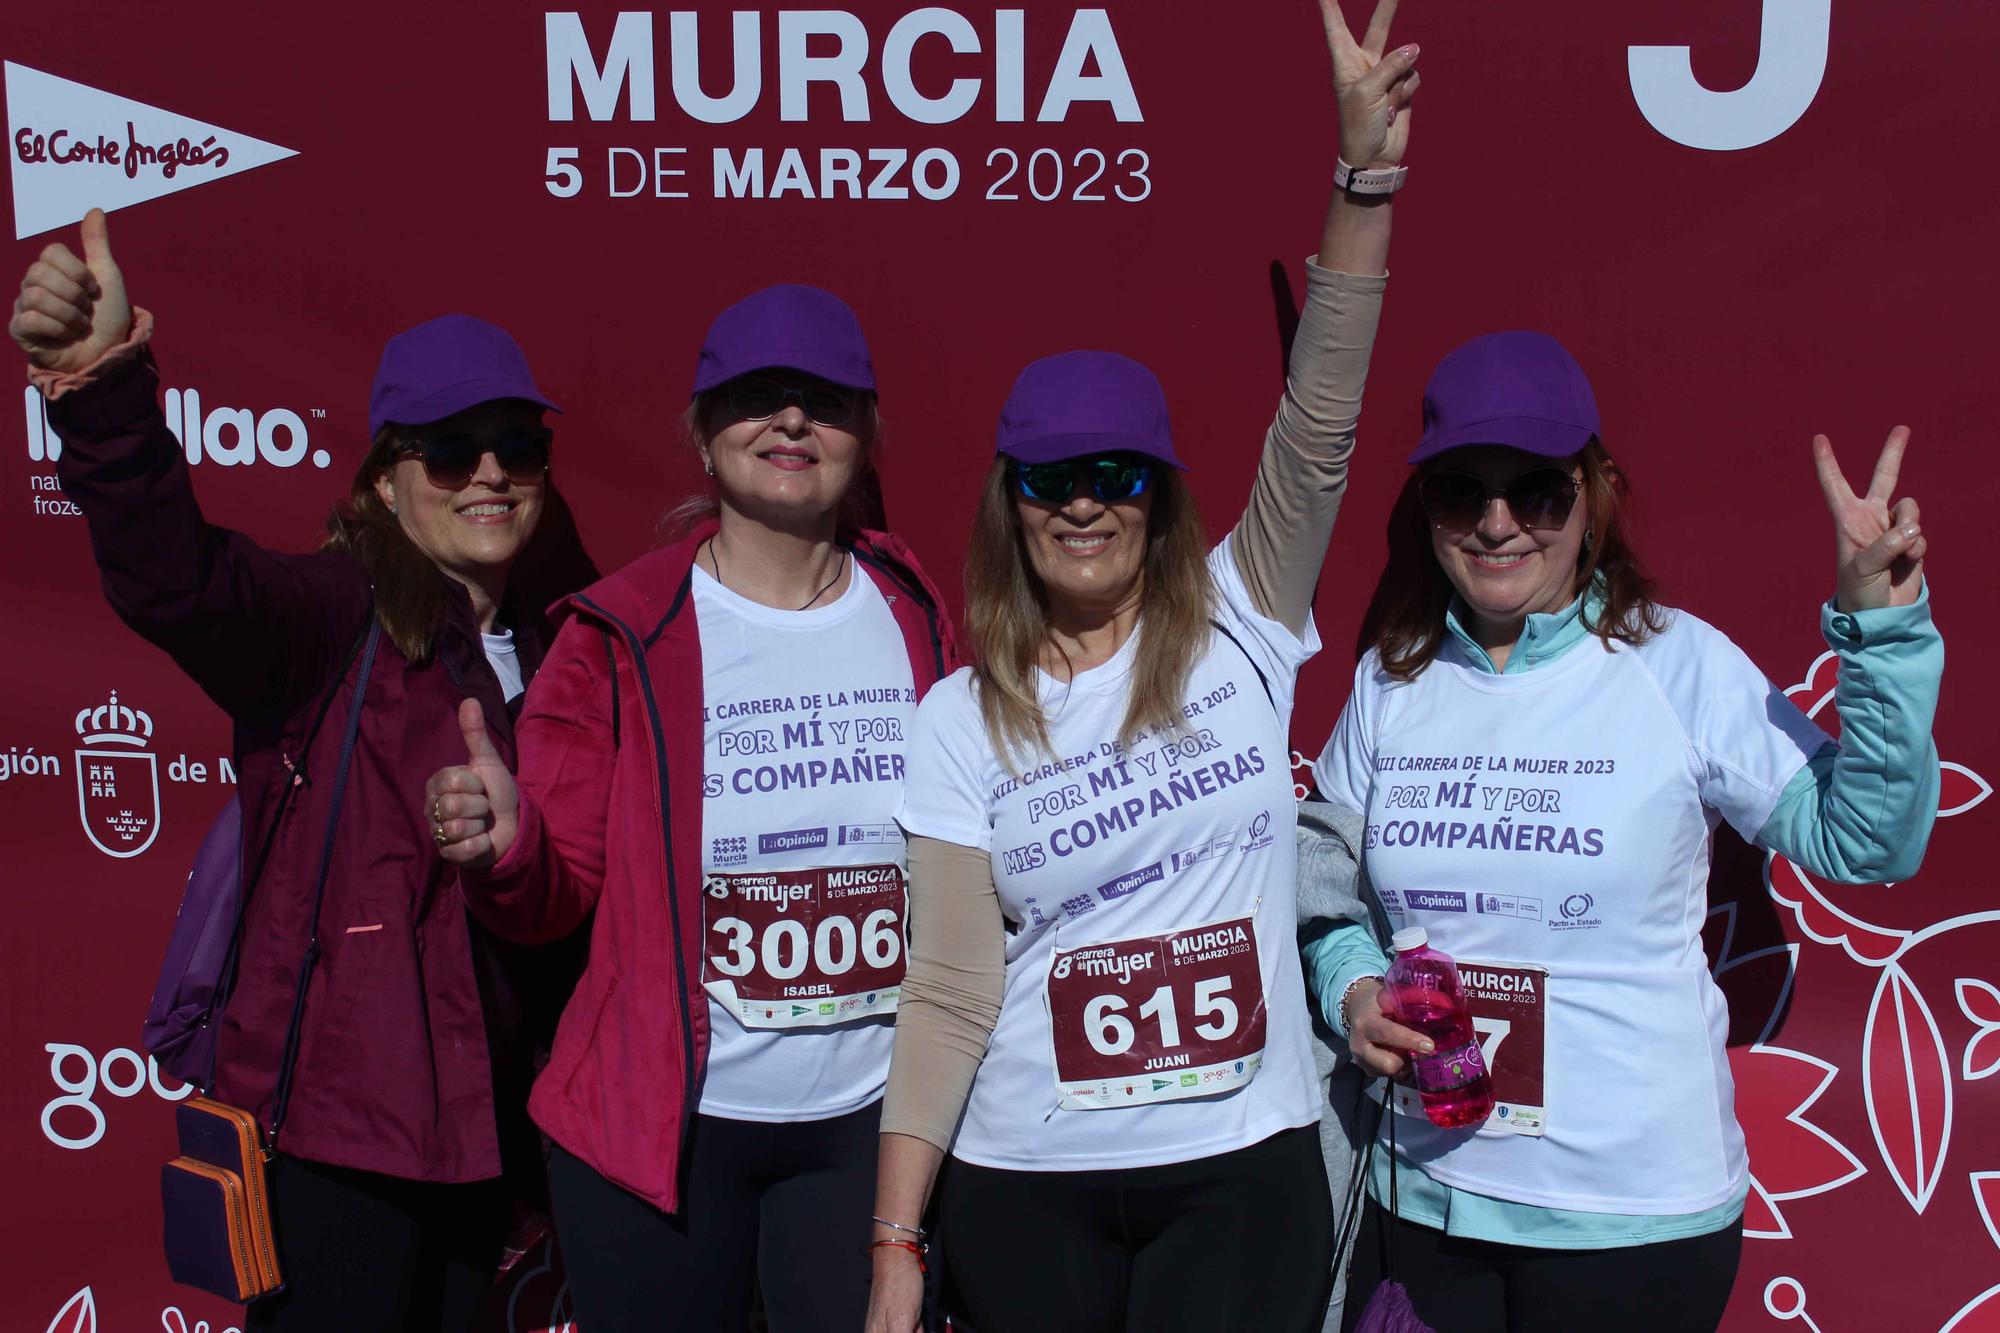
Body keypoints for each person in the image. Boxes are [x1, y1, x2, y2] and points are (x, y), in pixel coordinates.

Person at [862, 4, 1419, 1328]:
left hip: (1240, 1176)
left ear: (1161, 497)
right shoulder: (959, 716)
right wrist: (895, 1241)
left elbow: (1323, 417)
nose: (1087, 502)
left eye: (1120, 475)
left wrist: (1365, 182)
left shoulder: (1243, 612)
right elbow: (946, 990)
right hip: (1026, 1178)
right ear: (1014, 502)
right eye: (1055, 477)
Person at [10, 210, 596, 1330]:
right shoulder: (332, 615)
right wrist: (103, 398)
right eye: (447, 448)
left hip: (499, 1139)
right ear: (385, 480)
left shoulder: (566, 650)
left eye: (517, 447)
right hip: (343, 1137)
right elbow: (176, 580)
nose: (488, 473)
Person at [1305, 328, 1943, 1332]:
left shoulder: (1676, 664)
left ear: (1591, 494)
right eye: (1459, 491)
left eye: (1537, 490)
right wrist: (1348, 989)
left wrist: (1885, 632)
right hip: (1421, 1204)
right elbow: (1323, 891)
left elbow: (1866, 840)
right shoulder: (1392, 678)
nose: (1498, 522)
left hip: (1630, 1221)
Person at [426, 283, 960, 1331]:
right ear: (703, 432)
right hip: (665, 1132)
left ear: (864, 433)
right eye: (756, 396)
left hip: (866, 1122)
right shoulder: (618, 632)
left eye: (825, 398)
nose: (792, 420)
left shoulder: (913, 609)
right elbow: (554, 894)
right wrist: (505, 849)